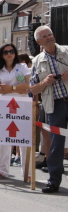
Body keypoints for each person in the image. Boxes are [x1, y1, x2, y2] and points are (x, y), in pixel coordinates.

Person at [29, 26, 68, 193]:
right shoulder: (37, 61)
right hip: (55, 105)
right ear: (39, 42)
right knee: (56, 145)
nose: (49, 37)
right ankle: (54, 181)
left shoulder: (66, 51)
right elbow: (33, 89)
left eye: (50, 34)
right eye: (44, 36)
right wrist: (45, 82)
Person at [0, 43, 30, 178]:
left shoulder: (22, 67)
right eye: (6, 52)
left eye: (11, 51)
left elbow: (27, 86)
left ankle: (27, 172)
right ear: (1, 55)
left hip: (22, 104)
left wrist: (10, 88)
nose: (9, 54)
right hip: (5, 105)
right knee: (4, 137)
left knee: (24, 137)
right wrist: (17, 88)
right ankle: (2, 170)